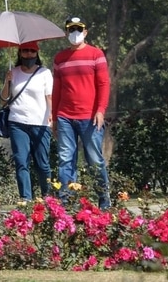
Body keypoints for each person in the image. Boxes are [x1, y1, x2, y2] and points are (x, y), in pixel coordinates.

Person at [52, 16, 111, 210]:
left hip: (90, 117)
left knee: (94, 159)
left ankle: (104, 200)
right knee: (65, 160)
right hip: (65, 117)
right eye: (71, 30)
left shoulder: (96, 54)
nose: (75, 33)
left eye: (78, 29)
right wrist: (54, 118)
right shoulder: (60, 58)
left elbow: (103, 84)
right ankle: (67, 203)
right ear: (66, 33)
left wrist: (101, 110)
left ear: (85, 32)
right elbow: (57, 90)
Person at [0, 41, 52, 202]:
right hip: (17, 122)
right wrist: (7, 81)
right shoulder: (13, 73)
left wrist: (52, 116)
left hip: (41, 123)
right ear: (19, 53)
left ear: (36, 53)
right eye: (25, 51)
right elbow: (3, 100)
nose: (28, 54)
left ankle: (48, 196)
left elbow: (49, 97)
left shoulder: (44, 73)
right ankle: (26, 199)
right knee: (21, 161)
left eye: (31, 51)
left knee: (42, 164)